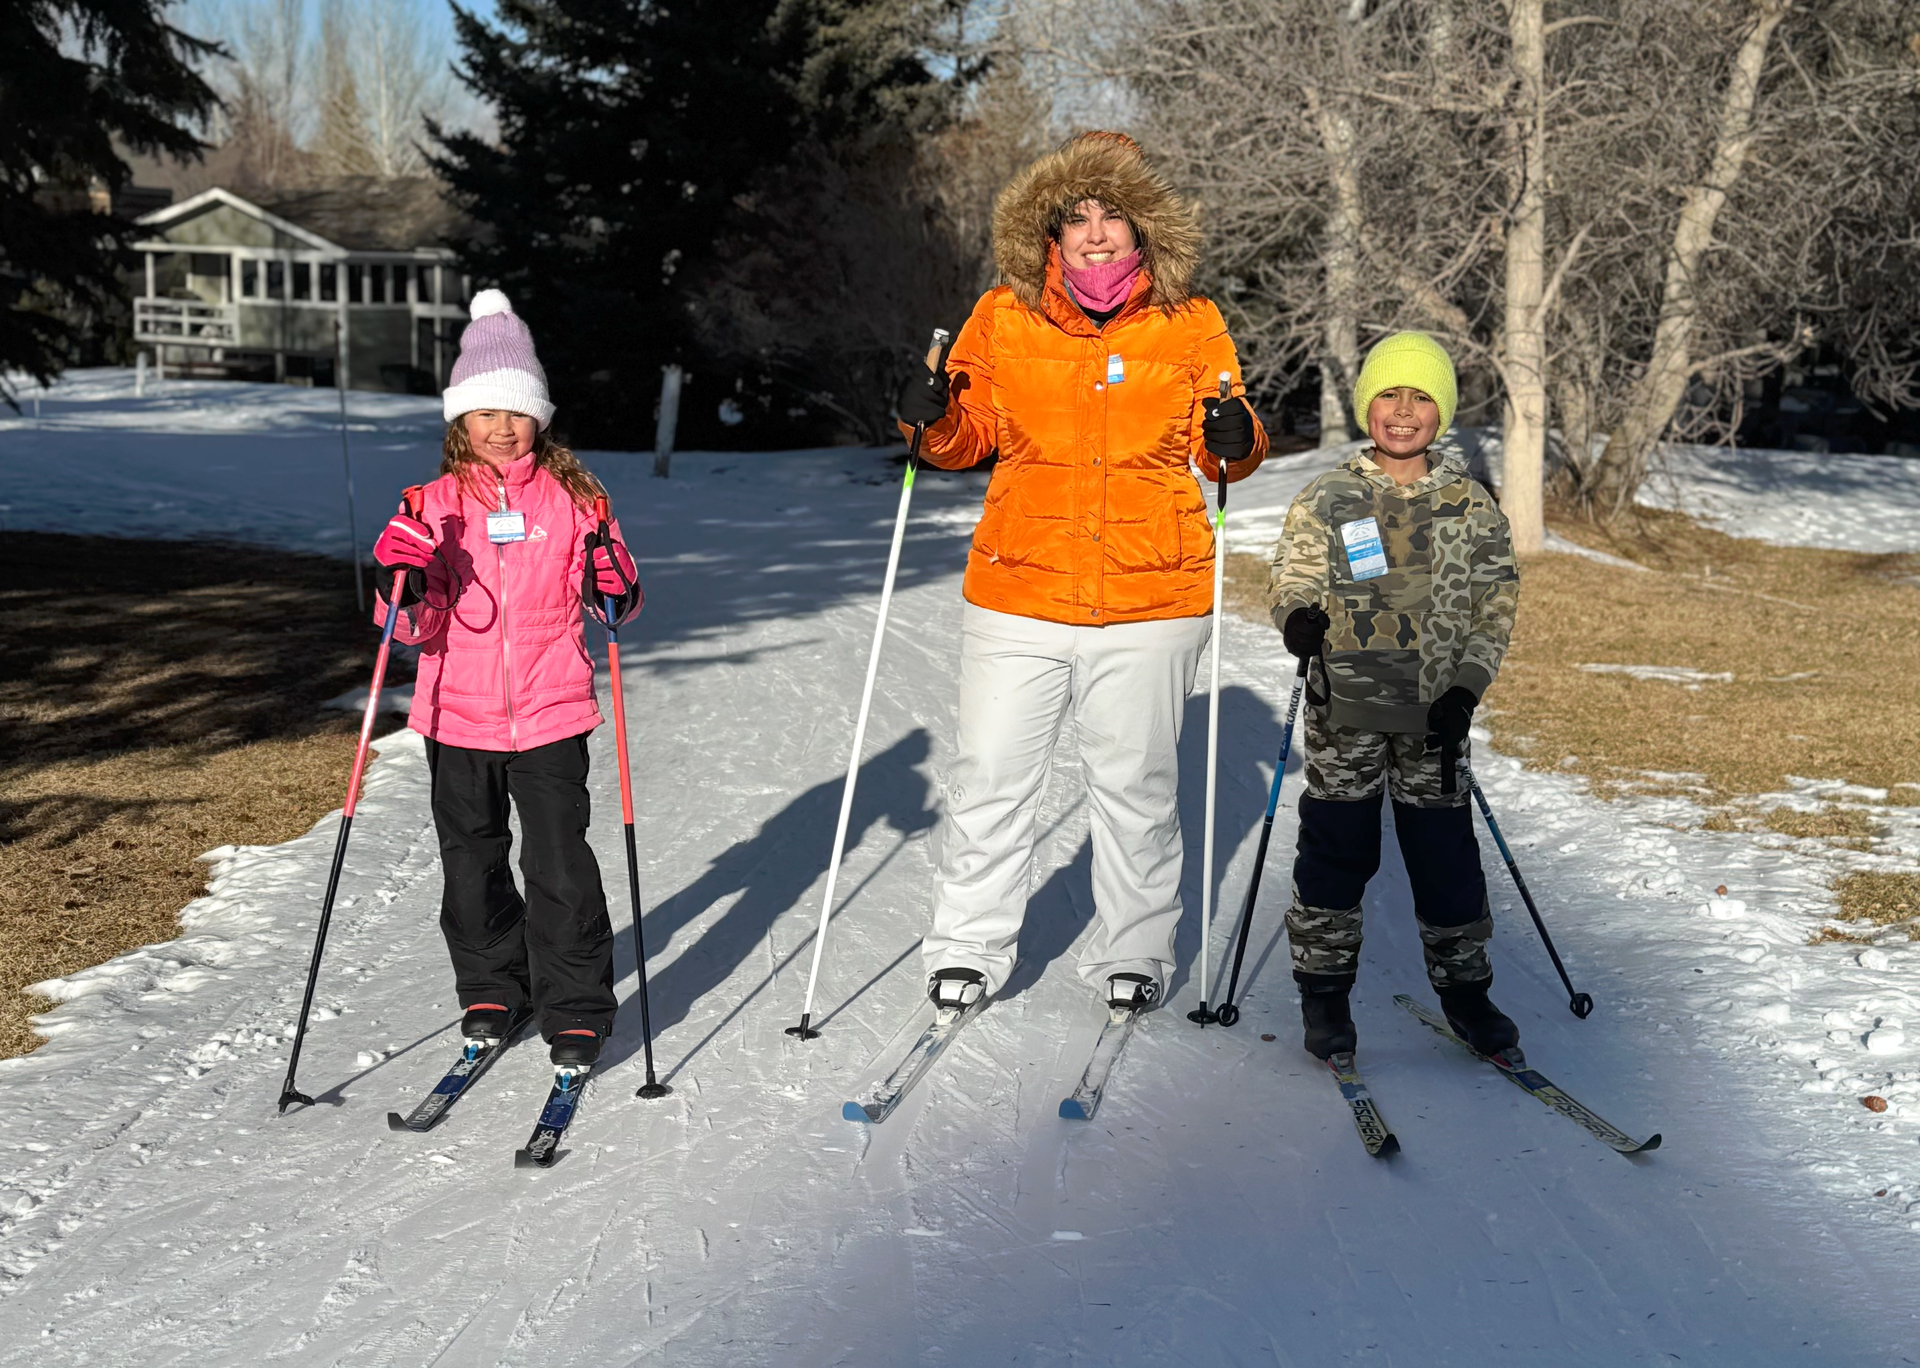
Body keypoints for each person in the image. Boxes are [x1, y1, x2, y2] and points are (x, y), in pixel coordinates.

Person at [896, 131, 1269, 1015]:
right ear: (1048, 236)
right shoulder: (1001, 317)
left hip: (1152, 595)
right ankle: (967, 948)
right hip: (1019, 591)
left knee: (1136, 786)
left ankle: (1133, 952)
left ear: (1145, 230)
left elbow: (1231, 437)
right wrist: (927, 417)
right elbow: (962, 438)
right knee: (990, 776)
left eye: (1113, 215)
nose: (1096, 232)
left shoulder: (1191, 321)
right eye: (1076, 217)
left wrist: (1235, 440)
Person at [369, 290, 643, 1070]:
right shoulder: (428, 505)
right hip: (456, 716)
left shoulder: (578, 501)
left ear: (539, 418)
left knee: (559, 868)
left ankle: (578, 1006)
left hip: (552, 714)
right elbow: (402, 626)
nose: (500, 427)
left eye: (515, 412)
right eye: (484, 412)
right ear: (460, 421)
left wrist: (609, 574)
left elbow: (616, 603)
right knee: (471, 865)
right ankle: (493, 988)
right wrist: (400, 579)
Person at [1266, 331, 1521, 1059]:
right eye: (1388, 395)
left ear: (1440, 413)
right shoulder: (1329, 496)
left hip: (1436, 718)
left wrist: (1467, 689)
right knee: (1335, 853)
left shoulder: (1471, 506)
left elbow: (1494, 604)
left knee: (1446, 860)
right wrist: (1299, 619)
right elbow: (1292, 576)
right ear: (1364, 405)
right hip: (1344, 712)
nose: (1403, 412)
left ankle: (1467, 994)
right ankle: (1324, 997)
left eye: (1420, 398)